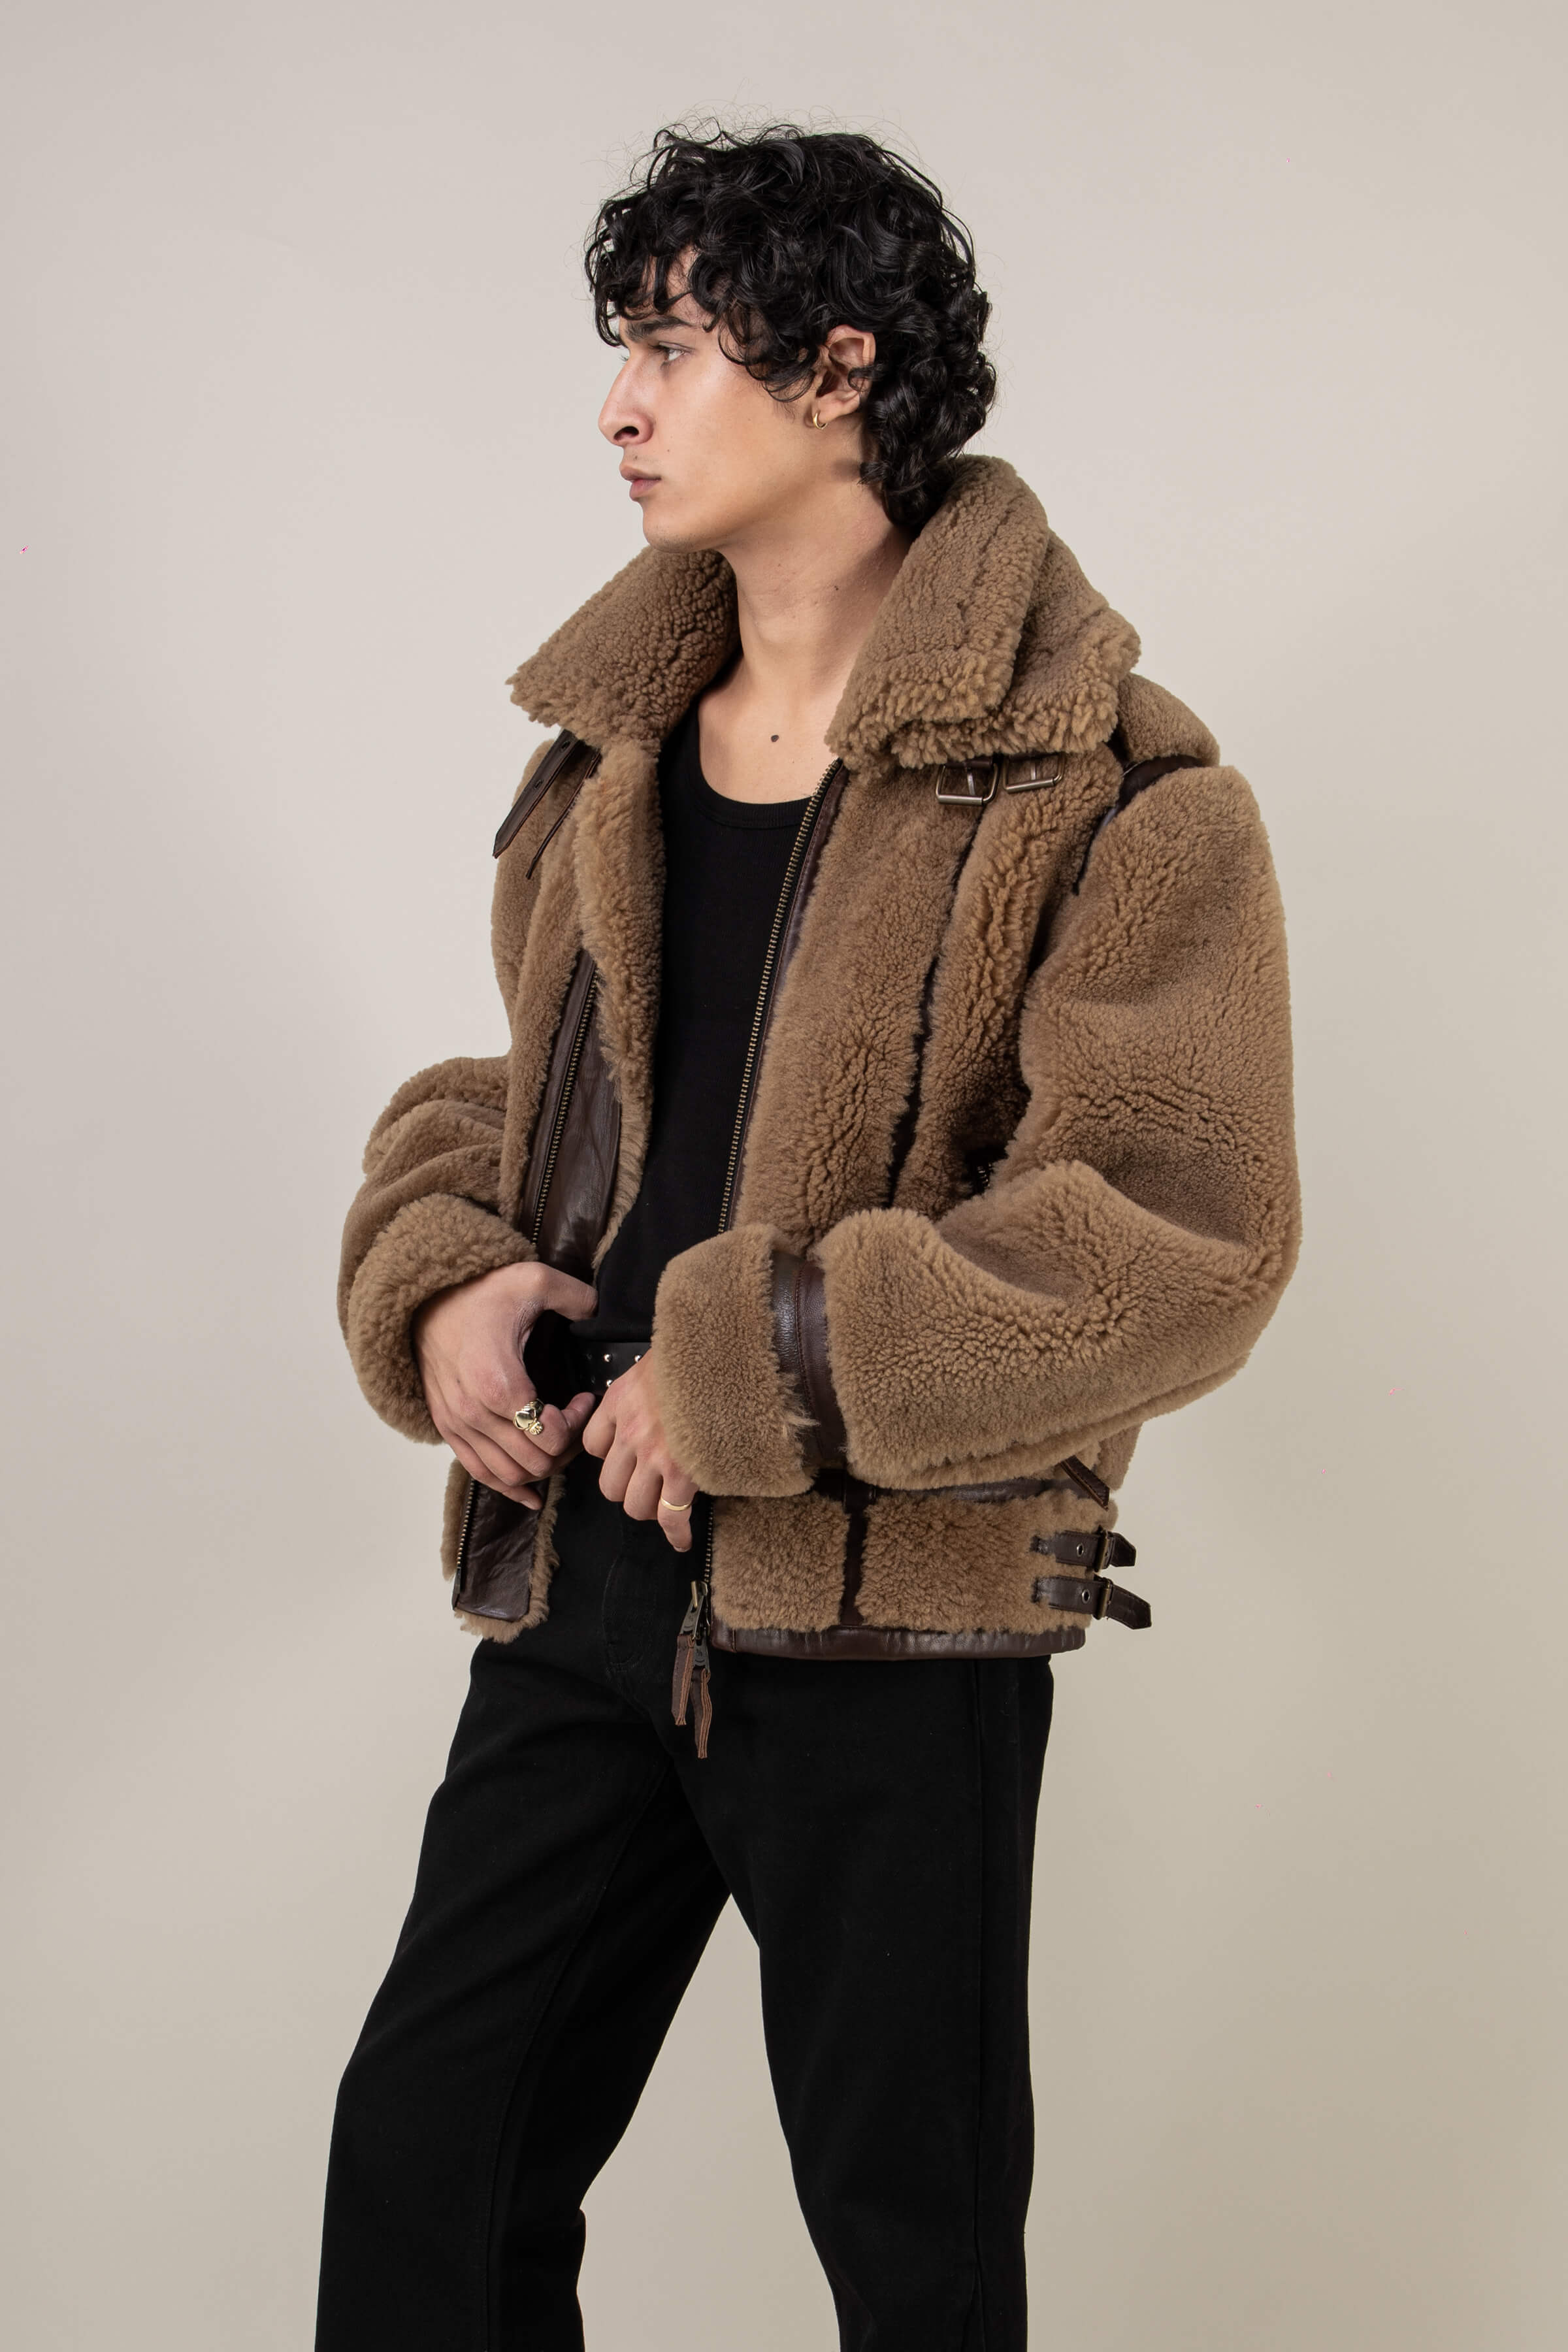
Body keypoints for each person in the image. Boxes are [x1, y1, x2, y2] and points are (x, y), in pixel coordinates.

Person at [317, 122, 1300, 2352]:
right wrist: (443, 1272)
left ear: (841, 366)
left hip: (892, 1616)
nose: (620, 406)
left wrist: (755, 1368)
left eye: (674, 346)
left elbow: (1180, 1227)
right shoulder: (606, 758)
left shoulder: (1116, 785)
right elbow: (531, 1094)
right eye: (622, 348)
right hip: (584, 1568)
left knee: (911, 2257)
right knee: (426, 2177)